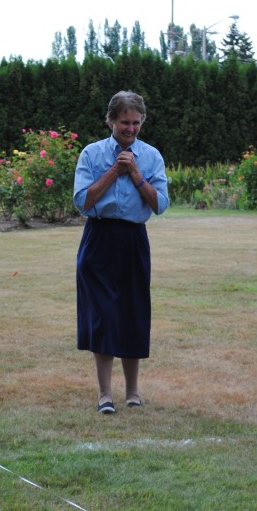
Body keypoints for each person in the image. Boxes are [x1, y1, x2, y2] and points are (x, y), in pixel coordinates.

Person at [73, 91, 170, 414]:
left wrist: (136, 174)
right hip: (99, 238)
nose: (131, 129)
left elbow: (160, 205)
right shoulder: (92, 154)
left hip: (133, 241)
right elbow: (82, 201)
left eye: (136, 123)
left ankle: (132, 391)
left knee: (132, 315)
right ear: (111, 121)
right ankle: (104, 395)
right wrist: (115, 170)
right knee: (101, 317)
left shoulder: (152, 157)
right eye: (125, 122)